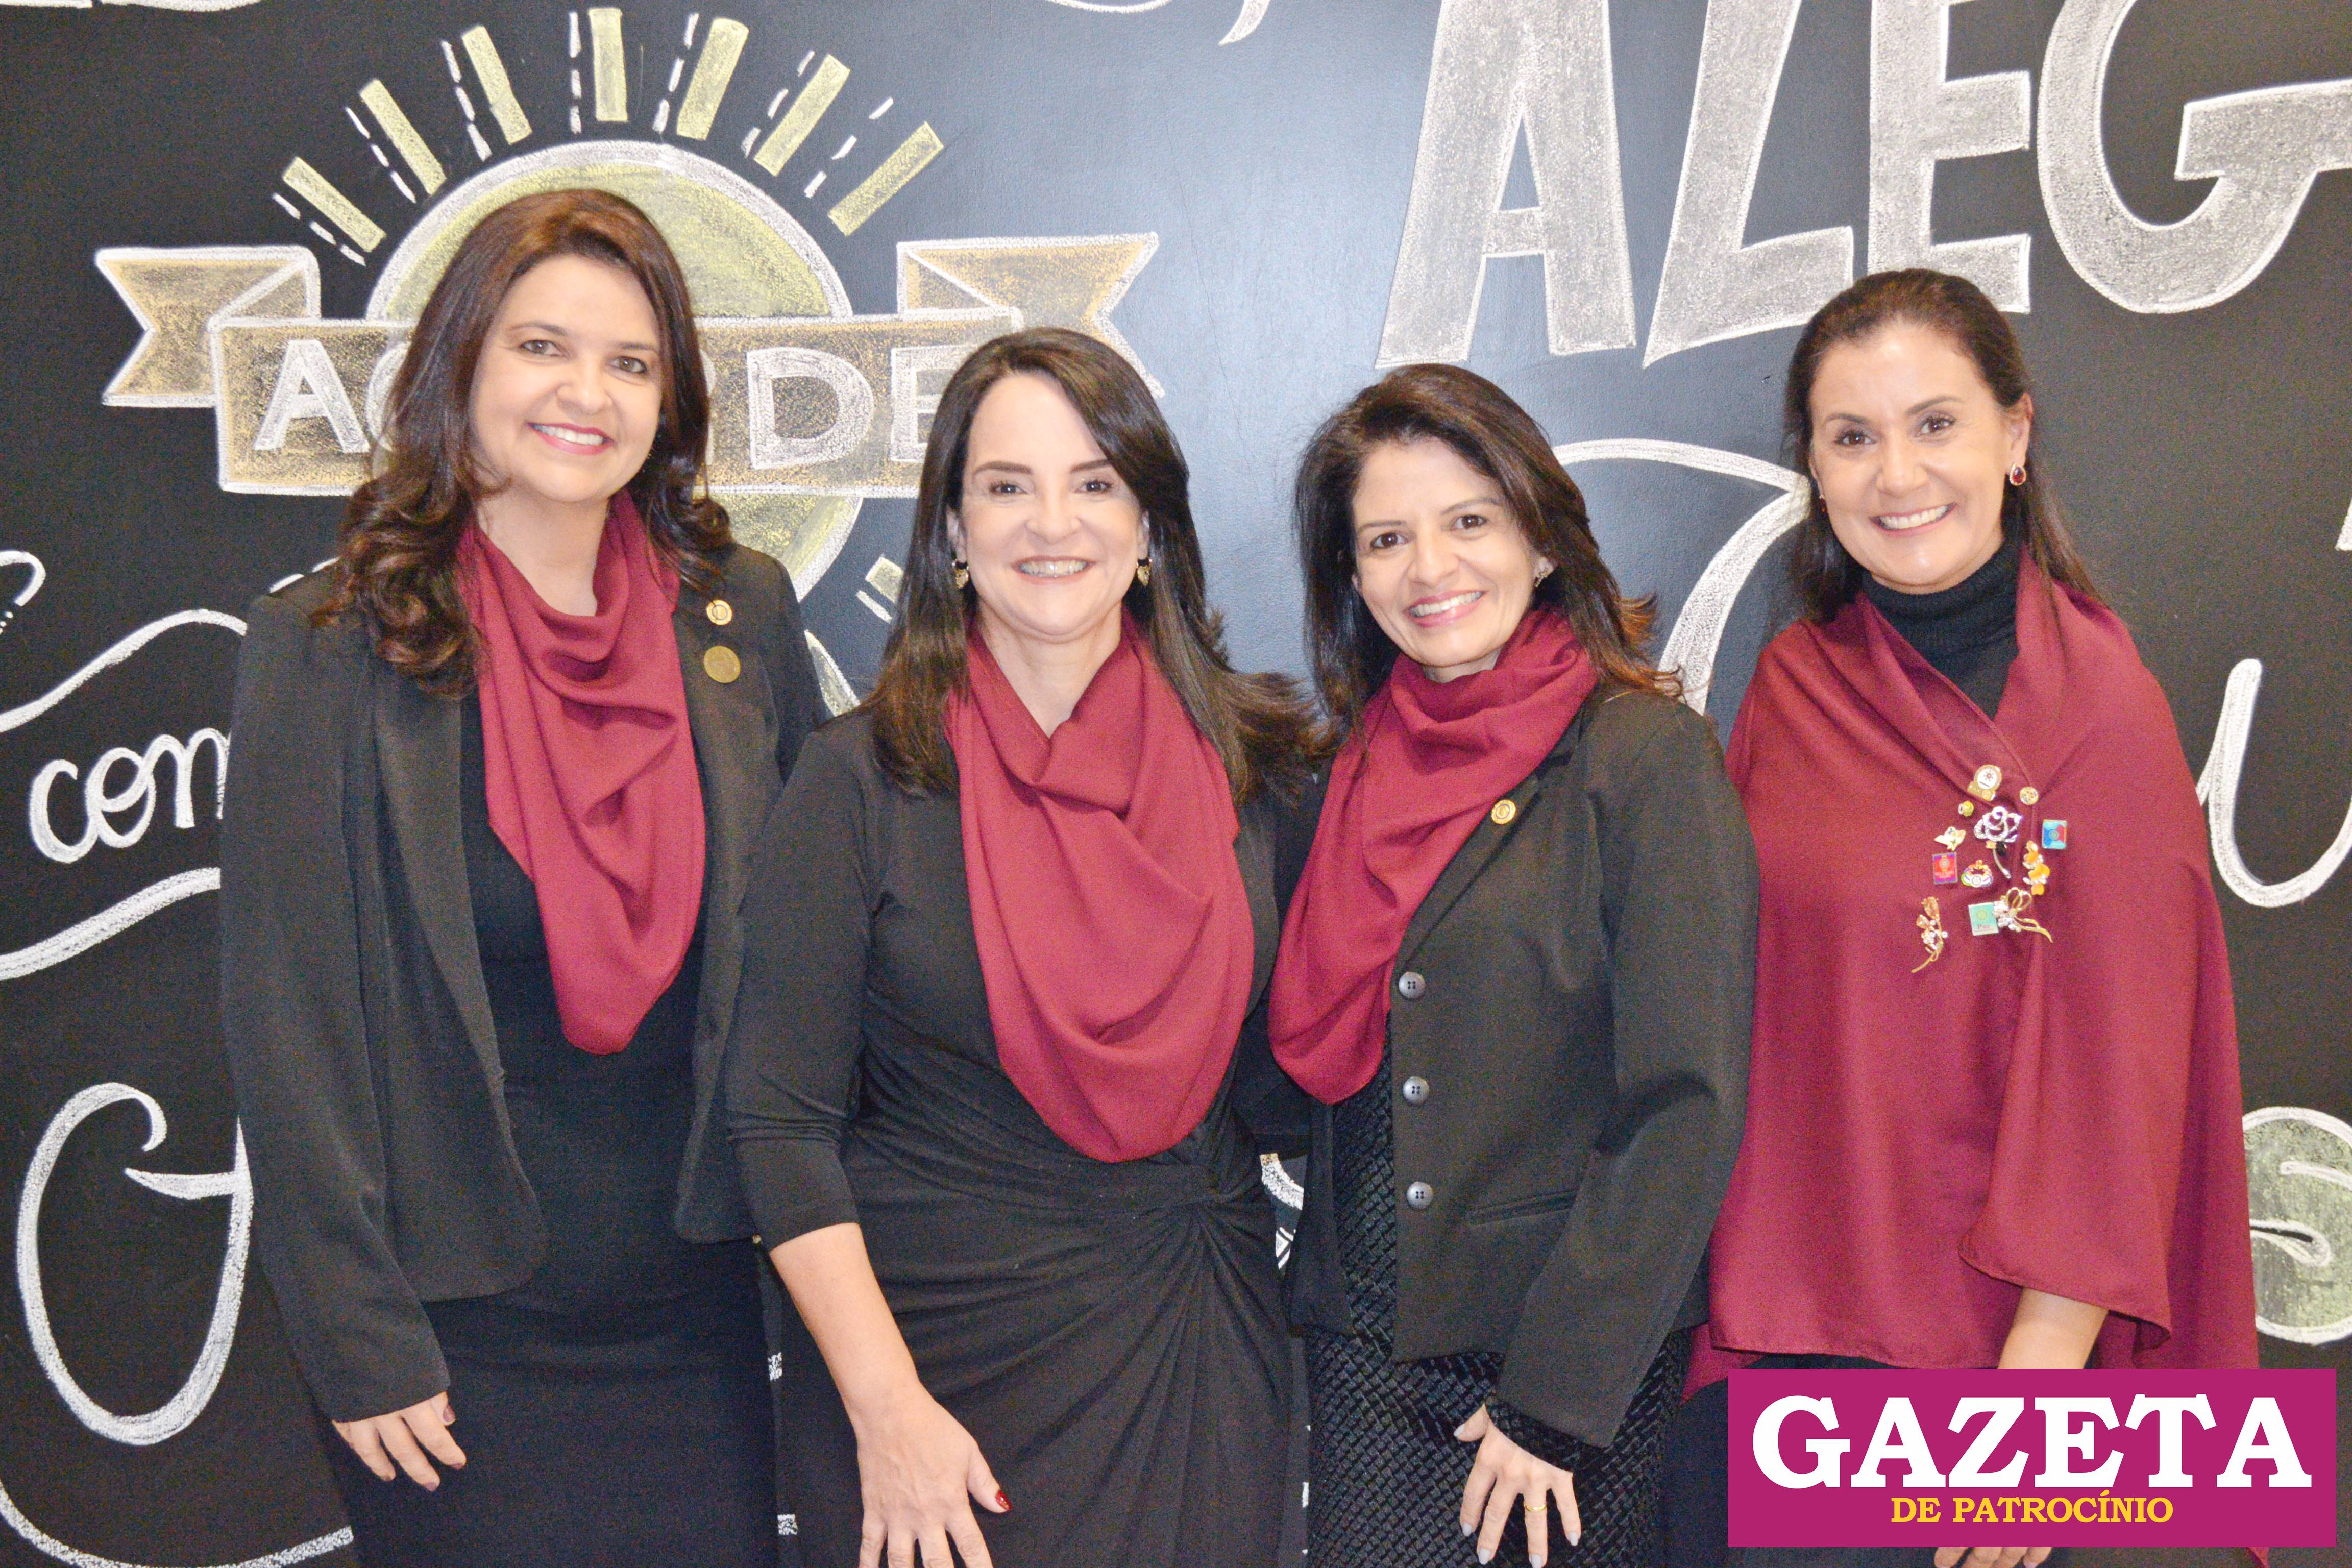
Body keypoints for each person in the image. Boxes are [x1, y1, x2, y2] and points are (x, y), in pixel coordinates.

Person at [220, 189, 823, 1567]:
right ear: (462, 365)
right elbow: (288, 1022)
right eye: (542, 347)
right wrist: (356, 1336)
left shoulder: (741, 614)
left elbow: (802, 964)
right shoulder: (330, 642)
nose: (586, 394)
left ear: (670, 400)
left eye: (631, 362)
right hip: (450, 1344)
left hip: (699, 1319)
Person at [1684, 268, 2259, 1568]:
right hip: (1800, 1339)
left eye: (1935, 424)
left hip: (2018, 1364)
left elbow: (2127, 1069)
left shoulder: (2106, 710)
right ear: (1814, 470)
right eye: (1853, 437)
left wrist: (2036, 1395)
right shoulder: (1791, 690)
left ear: (2014, 434)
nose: (1897, 475)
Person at [724, 327, 1319, 1568]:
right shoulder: (860, 780)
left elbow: (1314, 1075)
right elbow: (779, 1127)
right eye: (1007, 486)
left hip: (1194, 1353)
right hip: (931, 1391)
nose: (1054, 523)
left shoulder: (1258, 771)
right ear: (952, 529)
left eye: (1095, 482)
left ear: (1150, 526)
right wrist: (887, 1412)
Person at [1272, 363, 1757, 1568]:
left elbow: (1684, 1104)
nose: (1429, 568)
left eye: (1469, 521)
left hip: (1560, 1375)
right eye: (1386, 539)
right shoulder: (1337, 777)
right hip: (1364, 1354)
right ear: (1352, 576)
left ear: (1541, 541)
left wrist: (1556, 1403)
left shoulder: (1643, 758)